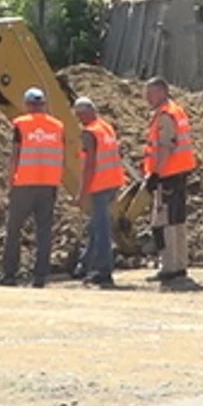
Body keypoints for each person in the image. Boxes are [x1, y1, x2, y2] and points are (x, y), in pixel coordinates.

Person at [0, 86, 65, 287]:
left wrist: (11, 180)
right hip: (48, 185)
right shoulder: (58, 126)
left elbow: (15, 155)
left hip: (25, 184)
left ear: (27, 105)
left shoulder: (21, 124)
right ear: (43, 104)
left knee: (14, 229)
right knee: (44, 232)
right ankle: (40, 277)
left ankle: (10, 275)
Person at [142, 76, 199, 291]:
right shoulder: (177, 111)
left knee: (164, 222)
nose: (146, 98)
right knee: (178, 220)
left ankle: (169, 267)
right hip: (180, 172)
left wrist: (155, 174)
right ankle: (180, 264)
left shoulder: (165, 115)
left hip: (168, 174)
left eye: (149, 93)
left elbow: (166, 146)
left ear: (161, 92)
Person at [74, 97, 124, 288]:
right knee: (97, 226)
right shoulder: (105, 127)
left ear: (85, 112)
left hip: (100, 184)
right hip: (113, 182)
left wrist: (82, 193)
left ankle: (104, 272)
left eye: (79, 115)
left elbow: (89, 166)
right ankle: (87, 265)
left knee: (102, 230)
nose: (78, 119)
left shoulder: (89, 133)